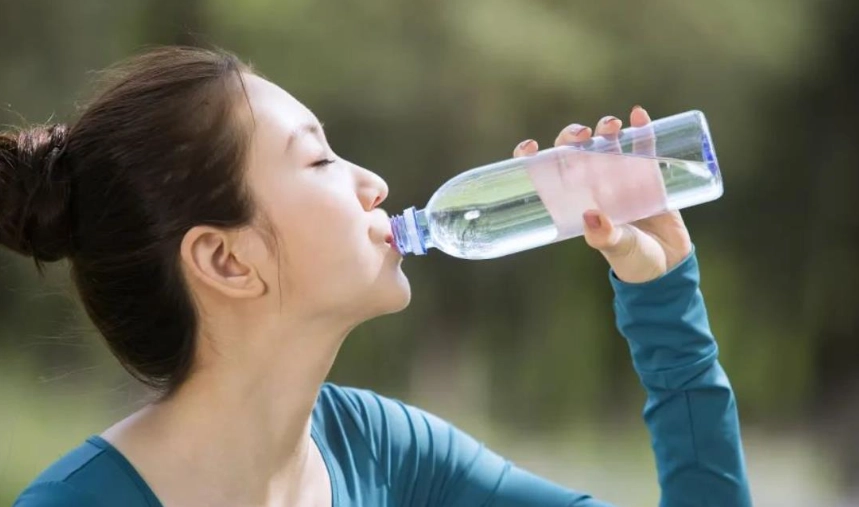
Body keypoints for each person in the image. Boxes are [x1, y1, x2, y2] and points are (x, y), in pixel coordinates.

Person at [5, 46, 751, 506]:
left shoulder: (389, 455)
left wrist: (661, 294)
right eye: (319, 159)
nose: (374, 184)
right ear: (226, 260)